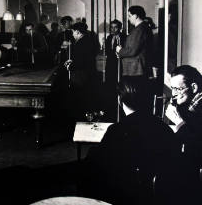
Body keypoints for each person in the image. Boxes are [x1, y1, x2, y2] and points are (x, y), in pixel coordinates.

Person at [82, 77, 177, 205]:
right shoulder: (165, 129)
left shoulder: (116, 130)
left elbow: (96, 167)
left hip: (125, 196)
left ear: (119, 100)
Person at [164, 65, 202, 204]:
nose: (173, 93)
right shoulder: (191, 105)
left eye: (178, 89)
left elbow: (196, 144)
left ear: (193, 88)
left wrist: (178, 121)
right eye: (172, 88)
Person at [63, 22, 98, 119]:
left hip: (81, 76)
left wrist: (69, 66)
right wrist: (72, 61)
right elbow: (82, 58)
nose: (73, 34)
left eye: (73, 32)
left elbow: (80, 63)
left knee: (81, 97)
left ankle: (81, 118)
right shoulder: (87, 40)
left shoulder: (80, 43)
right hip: (87, 74)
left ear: (78, 32)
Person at [116, 6, 153, 78]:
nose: (128, 18)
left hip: (135, 70)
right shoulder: (142, 28)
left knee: (133, 88)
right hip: (136, 69)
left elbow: (132, 50)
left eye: (129, 16)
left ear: (135, 16)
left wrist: (120, 50)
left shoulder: (139, 30)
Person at [104, 19, 127, 120]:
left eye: (115, 27)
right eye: (111, 27)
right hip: (110, 65)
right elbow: (107, 52)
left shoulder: (125, 37)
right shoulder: (109, 37)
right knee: (110, 86)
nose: (113, 29)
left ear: (120, 28)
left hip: (120, 65)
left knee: (119, 85)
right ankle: (111, 107)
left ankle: (120, 107)